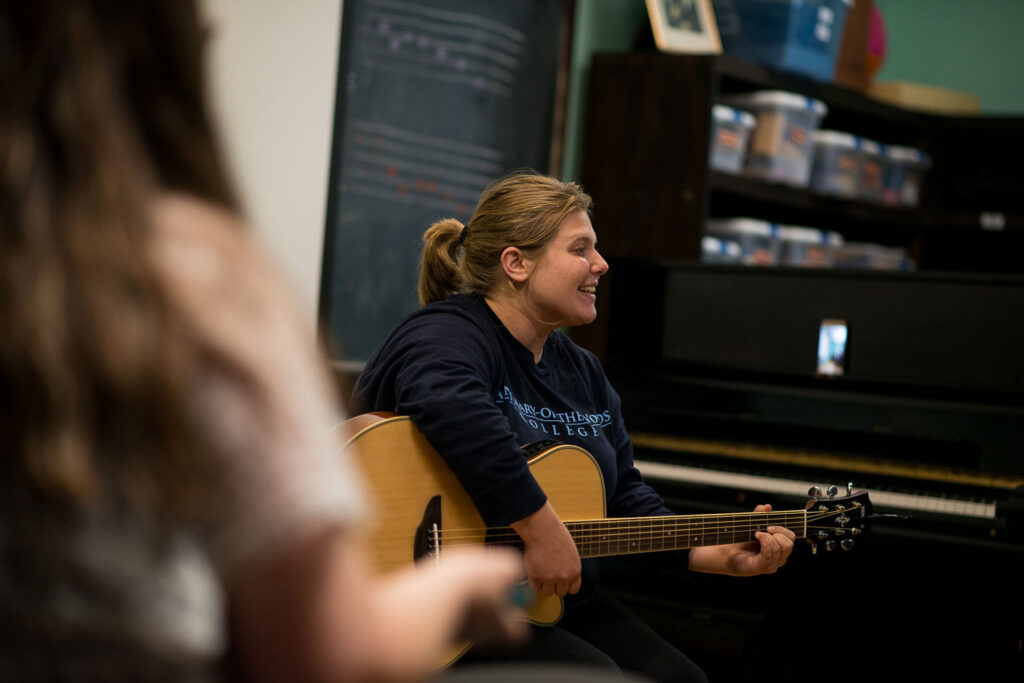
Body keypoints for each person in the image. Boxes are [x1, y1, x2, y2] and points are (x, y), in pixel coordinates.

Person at [0, 3, 528, 681]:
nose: (599, 264)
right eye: (581, 247)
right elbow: (323, 653)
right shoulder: (197, 277)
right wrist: (461, 585)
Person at [352, 171, 798, 682]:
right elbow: (452, 408)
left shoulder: (581, 371)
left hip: (548, 597)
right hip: (432, 596)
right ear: (516, 264)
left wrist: (713, 554)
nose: (601, 265)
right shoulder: (447, 334)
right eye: (580, 248)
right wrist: (540, 529)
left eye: (597, 248)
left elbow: (623, 496)